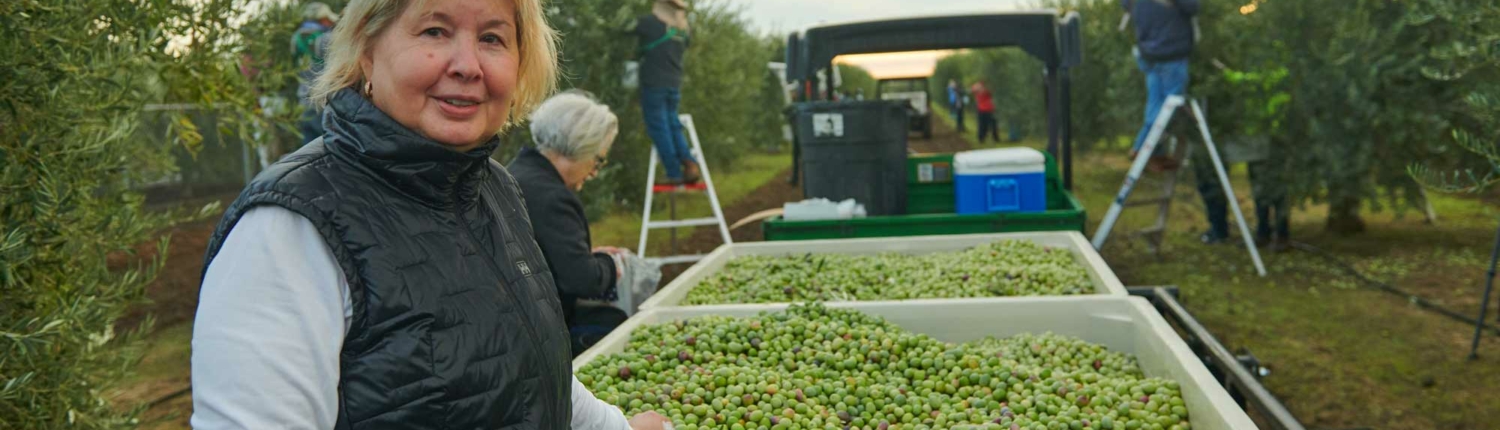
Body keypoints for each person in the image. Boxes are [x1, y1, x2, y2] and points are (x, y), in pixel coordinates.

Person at [191, 1, 669, 429]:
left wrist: (615, 427)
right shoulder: (288, 229)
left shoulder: (495, 189)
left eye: (492, 38)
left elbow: (527, 364)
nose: (467, 65)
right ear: (366, 51)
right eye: (434, 31)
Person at [507, 91, 636, 354]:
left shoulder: (515, 174)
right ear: (580, 147)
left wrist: (587, 257)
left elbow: (548, 256)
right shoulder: (552, 197)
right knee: (616, 325)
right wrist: (612, 265)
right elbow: (582, 280)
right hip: (536, 334)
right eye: (597, 160)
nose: (594, 172)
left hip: (514, 316)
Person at [1122, 0, 1199, 170]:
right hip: (1171, 53)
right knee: (1170, 108)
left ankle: (1154, 151)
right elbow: (1192, 7)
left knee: (1156, 105)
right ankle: (1142, 147)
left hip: (1148, 53)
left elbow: (1126, 5)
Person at [631, 0, 700, 185]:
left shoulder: (649, 23)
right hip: (673, 83)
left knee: (659, 127)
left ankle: (673, 173)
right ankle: (689, 163)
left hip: (654, 83)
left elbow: (621, 27)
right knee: (672, 124)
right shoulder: (683, 30)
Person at [291, 2, 338, 145]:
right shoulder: (326, 38)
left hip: (303, 102)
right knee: (330, 147)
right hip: (323, 100)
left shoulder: (295, 39)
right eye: (327, 19)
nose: (330, 23)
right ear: (322, 19)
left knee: (309, 152)